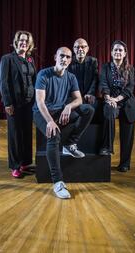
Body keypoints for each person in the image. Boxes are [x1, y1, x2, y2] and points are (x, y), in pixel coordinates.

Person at [33, 47, 94, 199]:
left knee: (88, 110)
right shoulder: (44, 74)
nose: (64, 59)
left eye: (67, 57)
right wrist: (50, 122)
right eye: (62, 56)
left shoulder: (71, 77)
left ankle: (70, 144)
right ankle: (58, 182)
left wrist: (68, 106)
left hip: (60, 110)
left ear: (70, 60)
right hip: (42, 112)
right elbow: (40, 101)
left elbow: (79, 99)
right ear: (55, 57)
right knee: (53, 135)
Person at [0, 31, 36, 178]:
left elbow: (34, 79)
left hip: (29, 103)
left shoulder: (30, 60)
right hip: (14, 103)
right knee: (15, 134)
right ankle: (15, 166)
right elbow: (3, 83)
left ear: (29, 44)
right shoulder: (7, 59)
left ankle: (24, 162)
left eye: (26, 41)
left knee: (26, 133)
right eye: (21, 40)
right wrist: (7, 103)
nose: (24, 43)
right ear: (16, 42)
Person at [99, 40, 135, 172]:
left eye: (120, 50)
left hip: (126, 102)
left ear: (125, 53)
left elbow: (130, 88)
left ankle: (125, 163)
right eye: (115, 50)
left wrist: (117, 99)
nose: (117, 52)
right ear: (111, 52)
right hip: (110, 100)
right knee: (109, 110)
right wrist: (108, 98)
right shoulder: (105, 67)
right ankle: (107, 147)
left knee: (127, 134)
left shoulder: (130, 68)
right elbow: (103, 84)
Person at [68, 38, 98, 107]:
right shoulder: (68, 61)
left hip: (88, 96)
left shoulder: (93, 61)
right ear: (73, 49)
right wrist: (77, 96)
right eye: (77, 47)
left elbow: (95, 79)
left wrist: (90, 93)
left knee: (95, 107)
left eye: (83, 47)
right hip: (73, 97)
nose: (80, 49)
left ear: (87, 49)